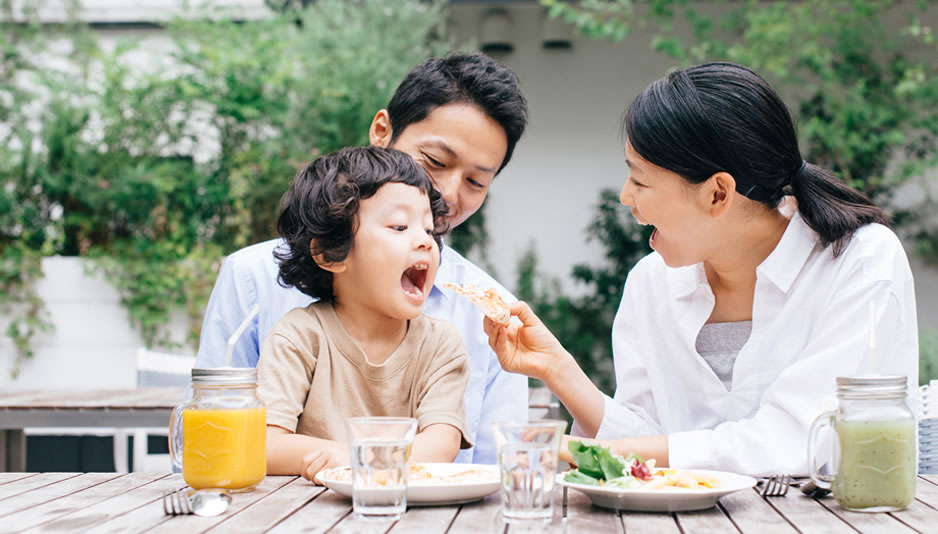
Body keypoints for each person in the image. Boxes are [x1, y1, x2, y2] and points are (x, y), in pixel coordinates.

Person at [483, 62, 918, 476]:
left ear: (717, 194)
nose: (624, 196)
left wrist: (595, 452)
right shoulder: (650, 283)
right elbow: (647, 442)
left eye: (640, 180)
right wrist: (556, 368)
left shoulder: (860, 264)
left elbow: (804, 441)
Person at [194, 53, 529, 464]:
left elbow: (498, 470)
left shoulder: (490, 315)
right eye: (436, 162)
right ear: (382, 131)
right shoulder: (253, 282)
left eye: (476, 181)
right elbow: (216, 451)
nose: (449, 193)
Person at [259, 146, 471, 481]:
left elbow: (441, 446)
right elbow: (264, 446)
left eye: (429, 230)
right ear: (330, 253)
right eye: (400, 227)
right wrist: (363, 457)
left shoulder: (440, 342)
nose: (426, 243)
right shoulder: (299, 335)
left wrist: (353, 456)